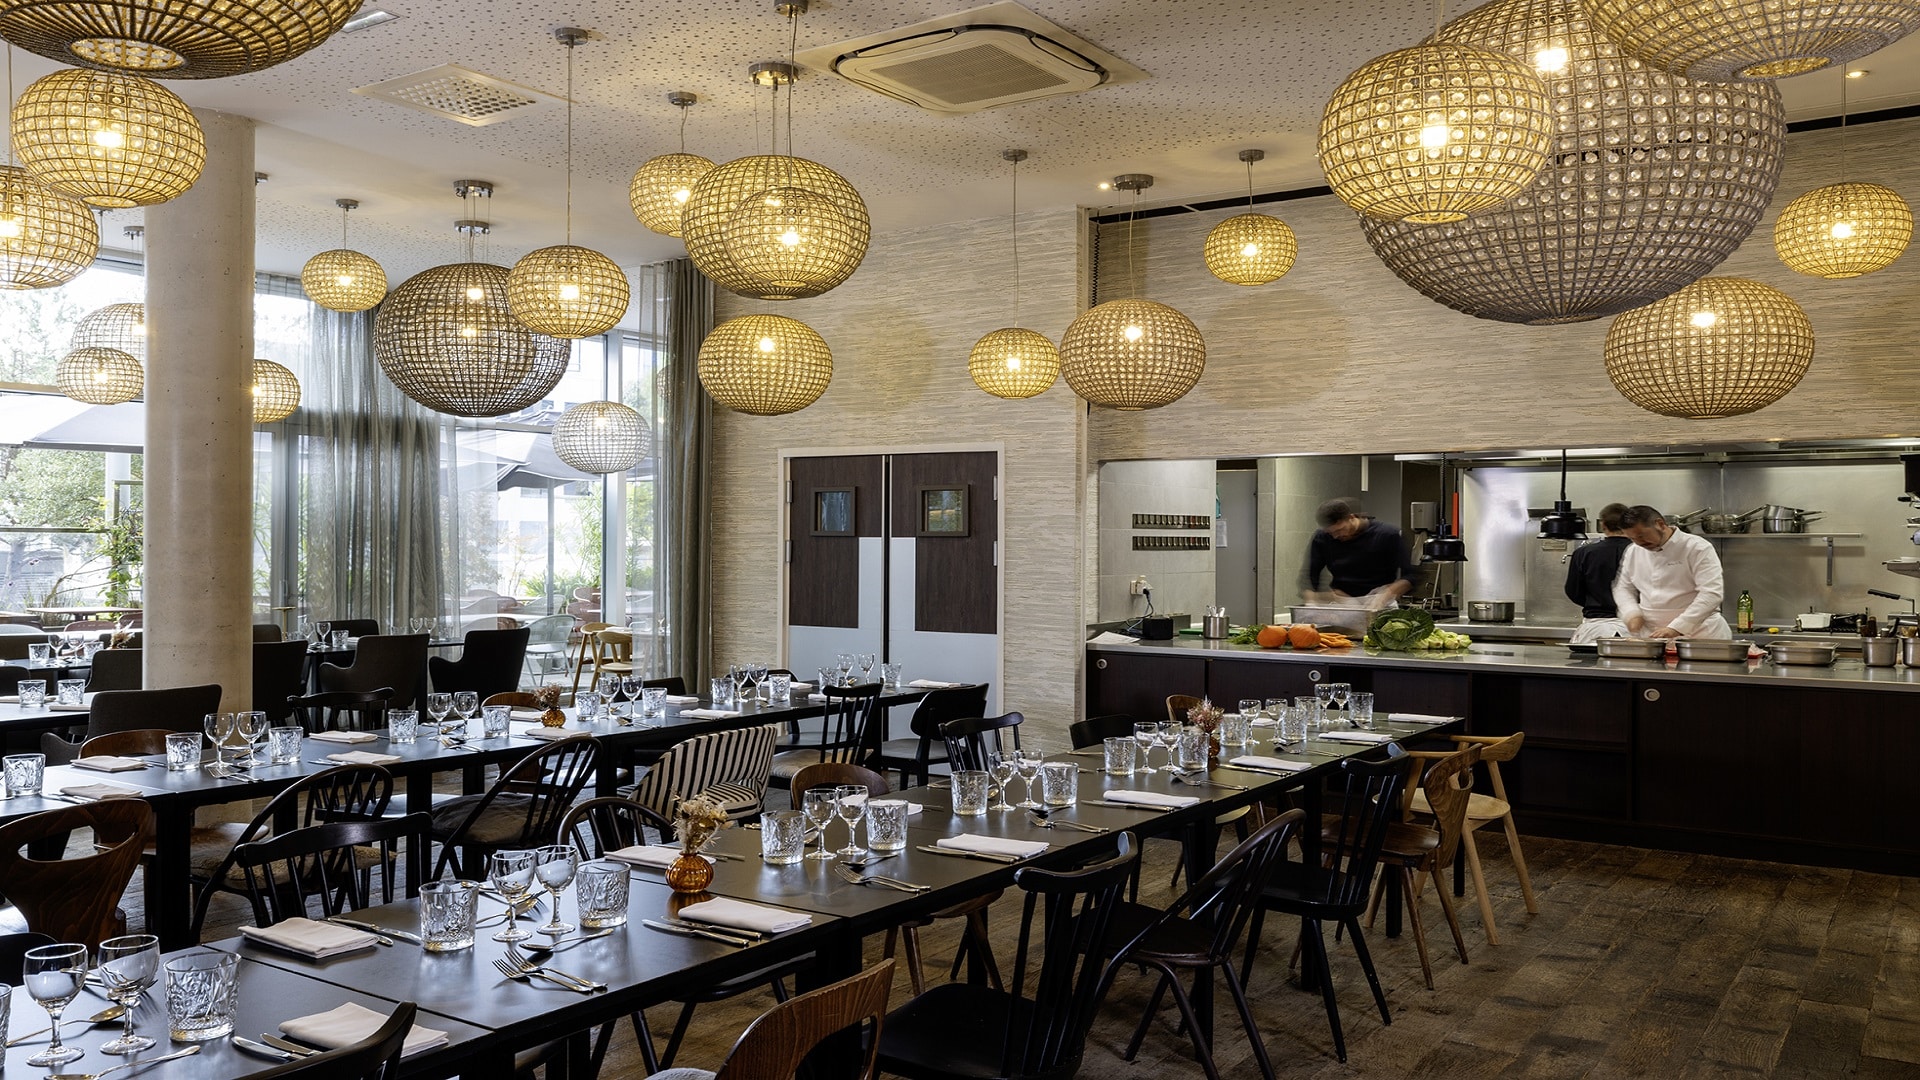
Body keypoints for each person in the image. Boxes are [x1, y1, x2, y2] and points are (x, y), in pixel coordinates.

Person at [1612, 504, 1732, 640]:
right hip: (1651, 635)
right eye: (1632, 538)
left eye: (1641, 535)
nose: (1639, 542)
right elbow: (1623, 588)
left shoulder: (1697, 547)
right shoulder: (1633, 551)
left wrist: (1677, 627)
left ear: (1660, 524)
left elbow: (1711, 593)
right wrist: (1631, 613)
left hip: (1700, 632)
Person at [1302, 497, 1415, 606]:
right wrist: (1313, 598)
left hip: (1380, 602)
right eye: (1331, 533)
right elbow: (1310, 575)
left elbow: (1411, 576)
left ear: (1351, 517)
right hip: (1343, 604)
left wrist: (1387, 593)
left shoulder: (1388, 535)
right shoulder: (1322, 538)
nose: (1335, 536)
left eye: (1340, 530)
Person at [1565, 503, 1633, 644]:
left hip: (1594, 629)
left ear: (1603, 525)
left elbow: (1573, 591)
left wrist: (1594, 602)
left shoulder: (1583, 553)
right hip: (1634, 628)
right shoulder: (1644, 553)